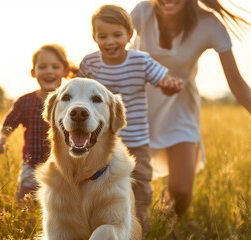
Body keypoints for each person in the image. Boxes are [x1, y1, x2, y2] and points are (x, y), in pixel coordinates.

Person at [130, 0, 251, 219]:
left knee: (181, 192)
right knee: (129, 184)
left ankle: (162, 224)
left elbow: (234, 77)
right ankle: (139, 226)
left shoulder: (209, 25)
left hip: (181, 107)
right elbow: (114, 47)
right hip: (139, 104)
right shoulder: (142, 12)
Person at [77, 4, 182, 236]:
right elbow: (77, 91)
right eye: (102, 36)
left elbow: (162, 77)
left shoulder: (140, 61)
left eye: (117, 35)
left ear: (129, 35)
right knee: (97, 190)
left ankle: (139, 232)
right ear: (94, 37)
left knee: (140, 190)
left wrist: (169, 84)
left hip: (135, 143)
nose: (110, 41)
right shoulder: (90, 63)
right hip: (100, 145)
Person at [0, 44, 77, 200]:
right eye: (42, 67)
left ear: (65, 71)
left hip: (65, 166)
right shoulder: (25, 102)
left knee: (62, 202)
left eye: (55, 66)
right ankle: (26, 222)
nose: (49, 71)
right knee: (23, 200)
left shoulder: (72, 100)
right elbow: (8, 124)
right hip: (32, 164)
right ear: (33, 72)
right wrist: (2, 137)